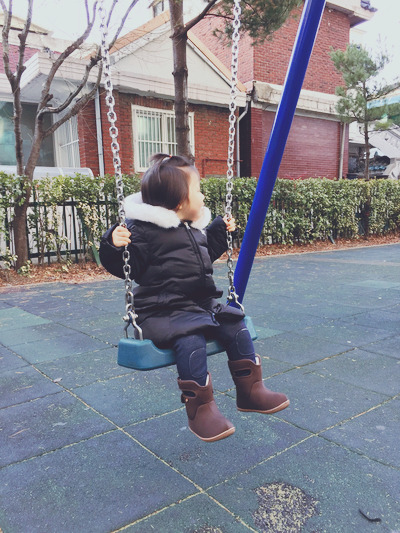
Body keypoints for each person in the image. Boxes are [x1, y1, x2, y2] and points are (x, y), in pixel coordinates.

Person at [99, 153, 289, 442]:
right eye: (197, 190)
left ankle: (251, 391)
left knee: (236, 324)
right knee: (191, 340)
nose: (202, 196)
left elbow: (205, 255)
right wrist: (113, 244)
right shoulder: (143, 232)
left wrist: (218, 231)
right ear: (179, 203)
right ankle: (200, 410)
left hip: (200, 304)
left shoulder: (193, 229)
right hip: (162, 311)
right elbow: (129, 266)